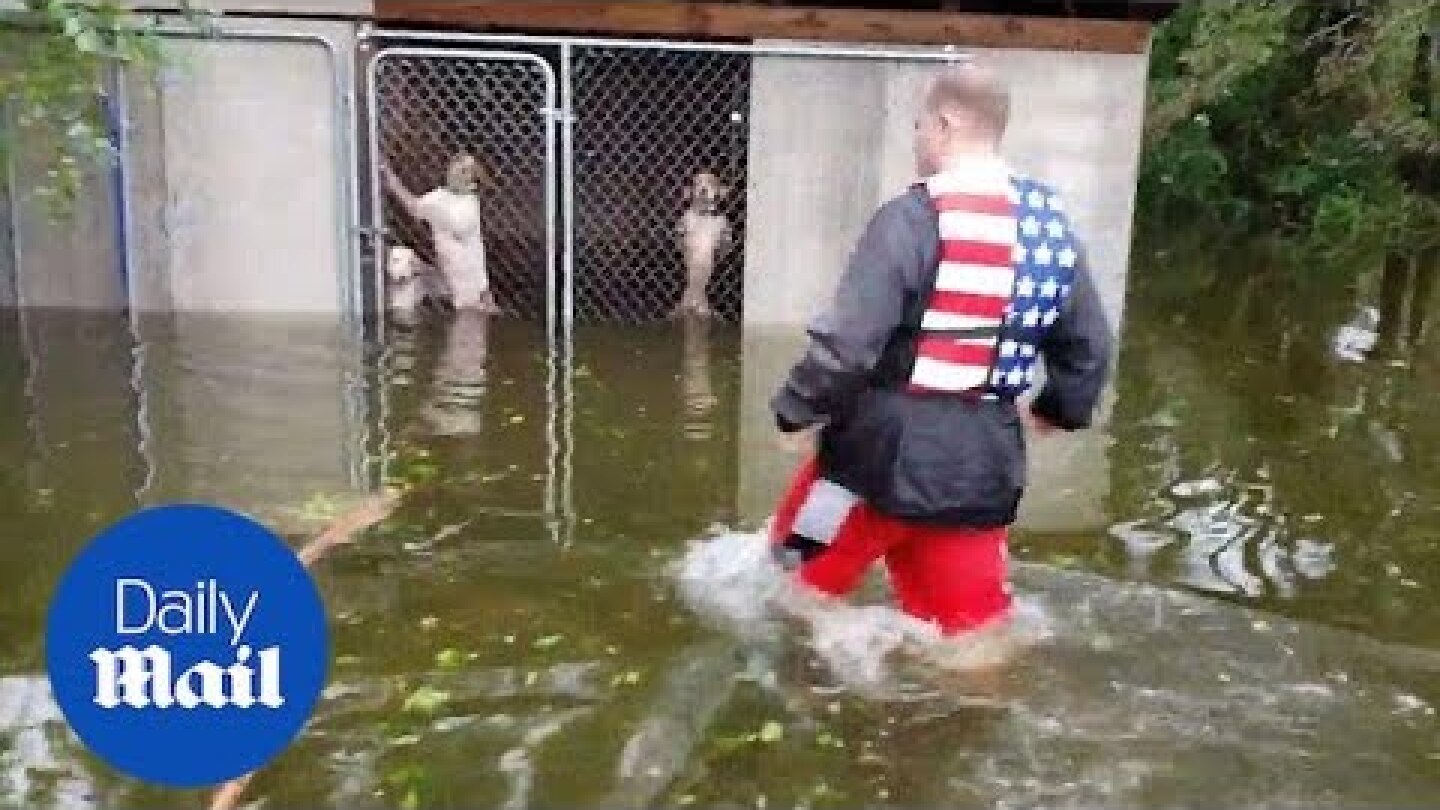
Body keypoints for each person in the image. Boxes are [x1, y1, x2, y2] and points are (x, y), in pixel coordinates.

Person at [768, 61, 1114, 637]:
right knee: (974, 638)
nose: (917, 140)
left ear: (946, 124)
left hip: (862, 466)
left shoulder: (910, 219)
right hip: (981, 474)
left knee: (788, 584)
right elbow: (1090, 350)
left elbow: (848, 344)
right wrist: (1059, 411)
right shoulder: (1050, 229)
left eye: (920, 126)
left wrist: (794, 411)